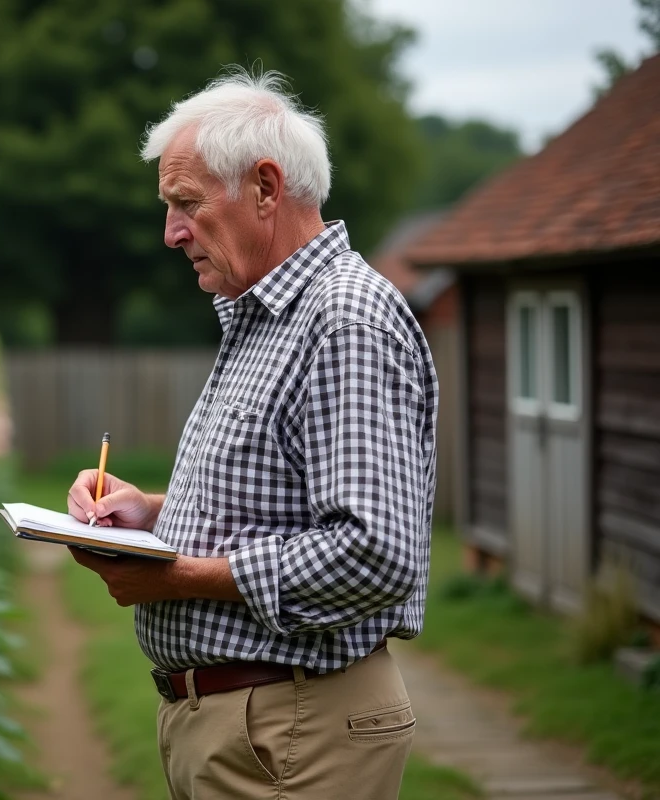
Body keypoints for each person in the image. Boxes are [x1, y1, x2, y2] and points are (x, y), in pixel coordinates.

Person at [66, 68, 438, 800]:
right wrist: (153, 511)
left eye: (185, 204)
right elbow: (279, 497)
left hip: (297, 728)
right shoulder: (267, 315)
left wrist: (176, 578)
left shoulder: (343, 320)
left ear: (266, 188)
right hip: (258, 728)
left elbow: (373, 552)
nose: (171, 233)